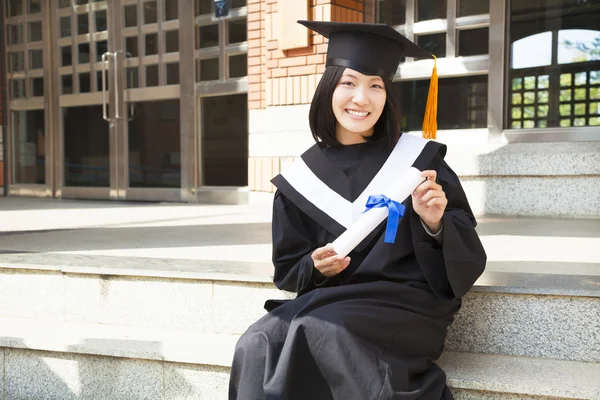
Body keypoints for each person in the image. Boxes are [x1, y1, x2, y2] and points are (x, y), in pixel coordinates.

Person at [229, 20, 487, 400]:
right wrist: (314, 267)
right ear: (328, 87)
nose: (361, 98)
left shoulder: (417, 161)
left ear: (388, 96)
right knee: (257, 341)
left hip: (405, 302)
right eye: (349, 82)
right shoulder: (300, 179)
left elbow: (468, 255)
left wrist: (436, 224)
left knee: (325, 330)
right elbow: (288, 271)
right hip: (332, 297)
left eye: (375, 85)